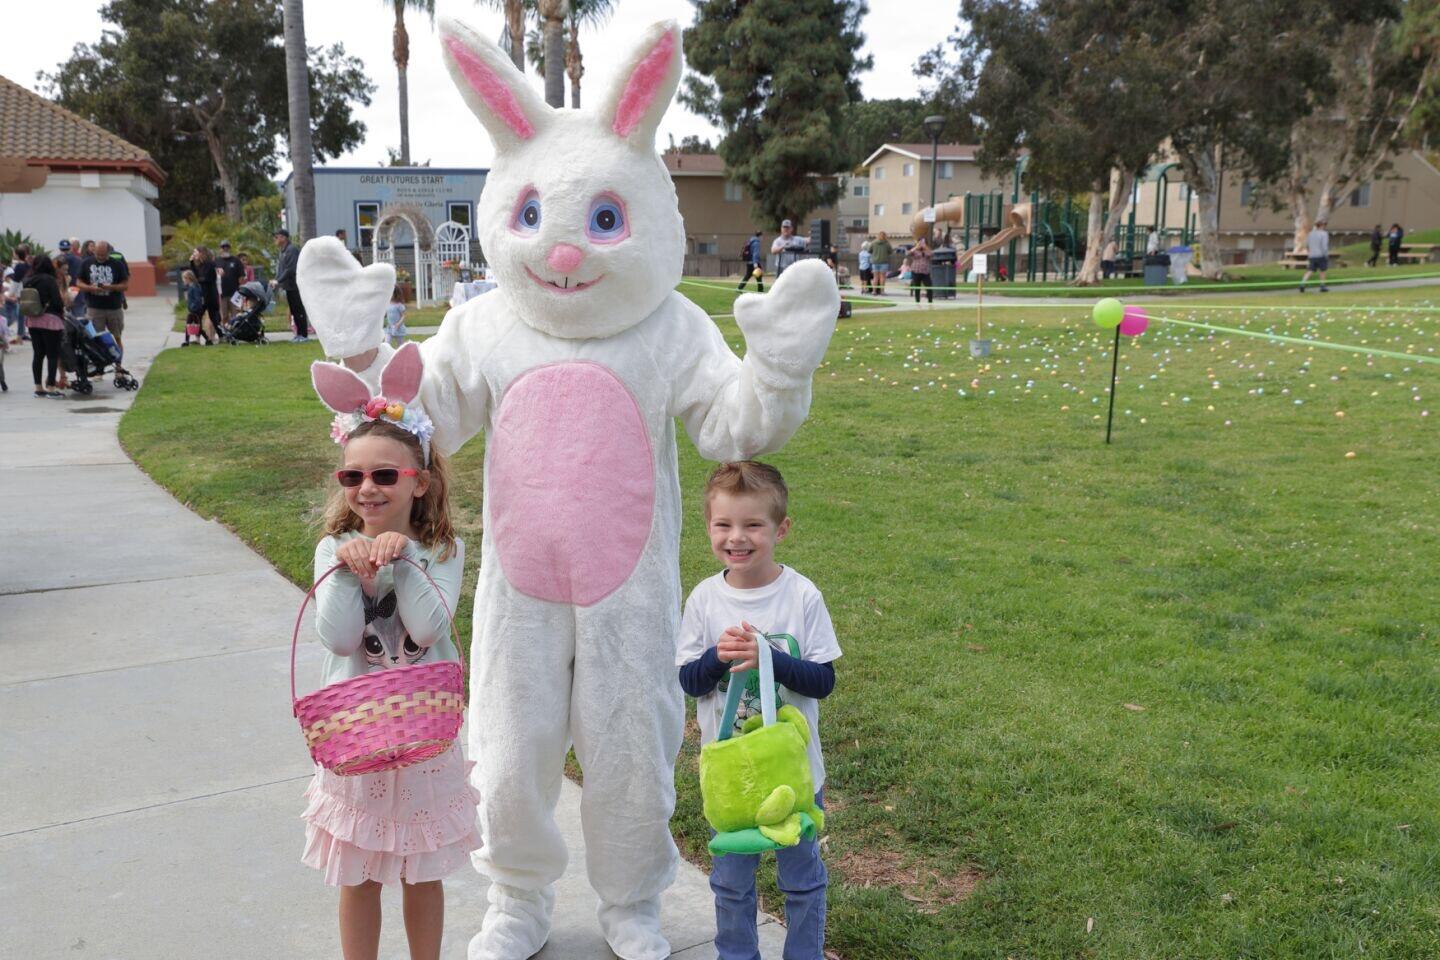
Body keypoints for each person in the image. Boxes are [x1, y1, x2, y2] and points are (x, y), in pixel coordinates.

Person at [305, 403, 478, 960]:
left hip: (424, 741)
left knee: (420, 871)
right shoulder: (332, 550)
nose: (368, 489)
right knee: (358, 874)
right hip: (358, 738)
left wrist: (403, 562)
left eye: (386, 475)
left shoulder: (443, 551)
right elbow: (338, 638)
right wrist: (348, 572)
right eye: (353, 476)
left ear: (419, 482)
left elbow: (428, 629)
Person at [676, 461, 840, 960]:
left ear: (781, 529)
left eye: (753, 525)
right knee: (731, 882)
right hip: (733, 777)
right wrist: (715, 659)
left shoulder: (801, 595)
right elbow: (688, 680)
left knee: (801, 880)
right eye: (723, 525)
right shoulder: (706, 599)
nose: (737, 538)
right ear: (709, 527)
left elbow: (824, 680)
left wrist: (772, 659)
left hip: (793, 772)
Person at [20, 255, 67, 397]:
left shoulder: (27, 280)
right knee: (52, 355)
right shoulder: (49, 280)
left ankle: (38, 388)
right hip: (50, 321)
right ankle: (51, 387)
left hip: (33, 320)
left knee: (38, 354)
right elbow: (57, 302)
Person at [76, 240, 130, 356]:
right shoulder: (86, 263)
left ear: (108, 252)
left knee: (117, 338)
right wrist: (91, 288)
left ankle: (118, 367)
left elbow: (125, 285)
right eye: (98, 254)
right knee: (95, 339)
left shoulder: (117, 264)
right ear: (94, 251)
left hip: (114, 308)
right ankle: (99, 369)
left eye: (103, 255)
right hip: (94, 308)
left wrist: (111, 287)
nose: (100, 257)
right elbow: (79, 282)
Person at [272, 228, 309, 342]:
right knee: (294, 311)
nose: (275, 240)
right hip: (288, 286)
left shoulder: (291, 250)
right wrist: (276, 280)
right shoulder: (282, 251)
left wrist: (278, 281)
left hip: (295, 285)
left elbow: (290, 269)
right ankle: (298, 334)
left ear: (284, 238)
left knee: (299, 310)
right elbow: (281, 269)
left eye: (277, 237)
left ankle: (303, 335)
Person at [180, 269, 213, 346]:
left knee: (193, 326)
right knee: (192, 326)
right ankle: (206, 340)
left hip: (195, 311)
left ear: (188, 278)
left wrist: (193, 308)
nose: (183, 280)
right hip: (193, 310)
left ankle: (188, 341)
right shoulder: (191, 287)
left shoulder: (194, 287)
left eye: (184, 279)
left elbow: (198, 300)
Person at [216, 241, 245, 328]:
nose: (225, 249)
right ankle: (226, 333)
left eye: (227, 247)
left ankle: (235, 333)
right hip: (222, 294)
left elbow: (241, 276)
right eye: (223, 247)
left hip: (235, 293)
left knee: (235, 315)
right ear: (220, 248)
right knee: (224, 316)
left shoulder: (236, 260)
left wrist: (239, 290)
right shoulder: (217, 261)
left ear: (229, 248)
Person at [1299, 219, 1330, 293]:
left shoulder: (1310, 234)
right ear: (1322, 226)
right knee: (1322, 270)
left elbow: (1306, 245)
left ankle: (1302, 284)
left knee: (1310, 270)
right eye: (1324, 225)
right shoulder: (1324, 234)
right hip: (1321, 255)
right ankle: (1322, 286)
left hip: (1312, 255)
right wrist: (1326, 254)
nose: (1325, 226)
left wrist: (1310, 252)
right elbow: (1324, 246)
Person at [909, 236, 933, 304]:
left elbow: (931, 254)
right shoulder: (915, 250)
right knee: (917, 287)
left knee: (929, 287)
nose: (921, 244)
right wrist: (916, 247)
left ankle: (930, 301)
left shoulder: (926, 250)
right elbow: (908, 253)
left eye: (923, 242)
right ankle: (917, 301)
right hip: (916, 271)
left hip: (925, 272)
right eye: (920, 242)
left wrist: (926, 247)